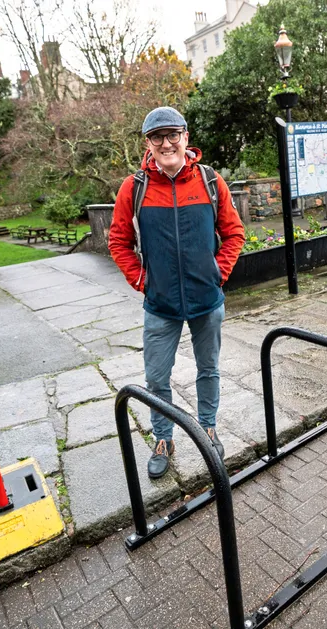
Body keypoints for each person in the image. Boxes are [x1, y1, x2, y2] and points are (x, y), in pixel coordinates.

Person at [109, 106, 245, 479]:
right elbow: (118, 241)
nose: (166, 143)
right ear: (148, 144)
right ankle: (164, 438)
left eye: (173, 135)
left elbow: (234, 233)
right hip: (161, 304)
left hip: (207, 300)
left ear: (186, 138)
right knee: (156, 378)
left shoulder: (209, 181)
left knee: (209, 369)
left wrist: (219, 272)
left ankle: (208, 427)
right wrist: (141, 280)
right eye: (157, 137)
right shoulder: (133, 188)